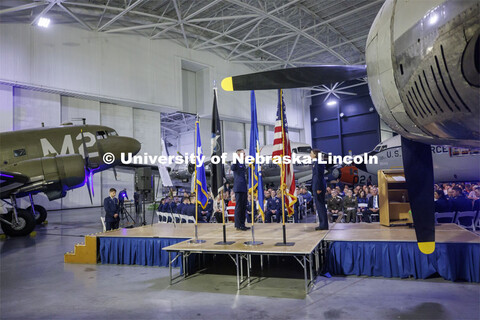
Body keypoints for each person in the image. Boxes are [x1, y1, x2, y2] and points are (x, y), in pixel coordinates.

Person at [231, 149, 249, 231]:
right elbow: (233, 168)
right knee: (239, 207)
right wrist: (235, 158)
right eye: (243, 153)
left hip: (244, 187)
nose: (245, 155)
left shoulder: (243, 162)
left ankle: (242, 224)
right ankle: (238, 225)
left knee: (243, 207)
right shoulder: (236, 162)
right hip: (238, 187)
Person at [311, 149, 328, 230]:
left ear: (315, 154)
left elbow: (318, 176)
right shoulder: (316, 162)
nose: (310, 155)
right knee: (319, 206)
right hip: (317, 186)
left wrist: (318, 188)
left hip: (319, 187)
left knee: (321, 206)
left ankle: (324, 225)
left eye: (311, 153)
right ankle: (322, 224)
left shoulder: (318, 162)